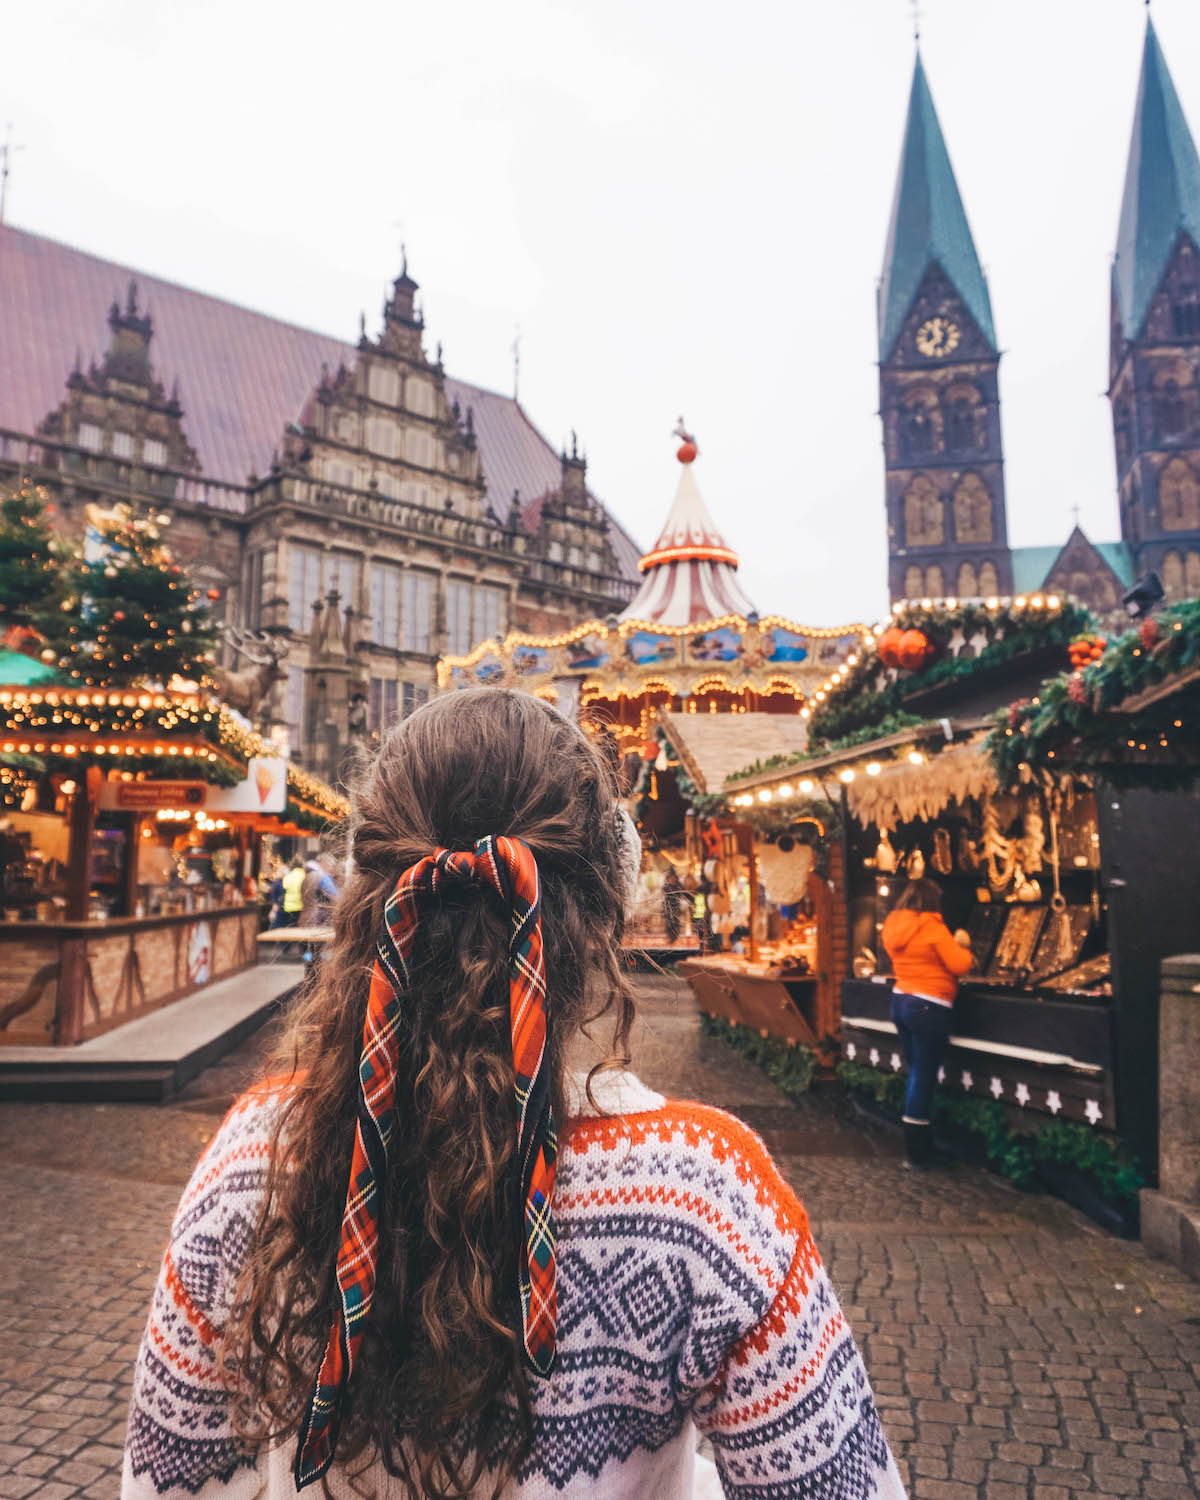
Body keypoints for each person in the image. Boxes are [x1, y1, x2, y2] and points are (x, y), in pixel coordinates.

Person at [122, 689, 905, 1500]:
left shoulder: (257, 1150)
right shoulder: (707, 1192)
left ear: (364, 891)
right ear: (607, 908)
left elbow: (163, 1477)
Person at [881, 877, 972, 1169]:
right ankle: (918, 1153)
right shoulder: (933, 928)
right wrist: (964, 944)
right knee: (923, 1076)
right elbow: (960, 964)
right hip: (929, 1006)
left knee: (917, 1072)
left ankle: (920, 1143)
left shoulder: (893, 926)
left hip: (901, 1001)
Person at [279, 854, 305, 928]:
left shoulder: (288, 876)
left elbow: (284, 886)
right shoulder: (304, 874)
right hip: (300, 904)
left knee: (290, 926)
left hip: (289, 905)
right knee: (298, 927)